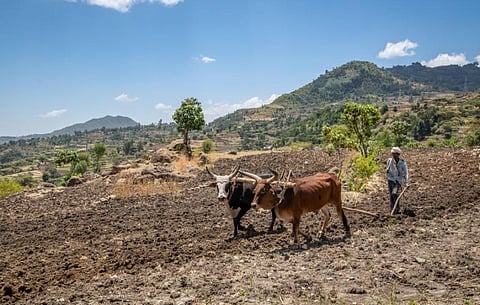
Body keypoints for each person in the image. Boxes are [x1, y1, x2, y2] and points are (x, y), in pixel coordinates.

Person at [386, 147, 410, 214]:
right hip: (390, 180)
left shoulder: (402, 163)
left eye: (395, 154)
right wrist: (387, 172)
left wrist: (407, 182)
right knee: (391, 195)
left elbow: (406, 173)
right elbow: (388, 169)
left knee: (394, 193)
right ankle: (392, 210)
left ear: (398, 154)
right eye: (392, 154)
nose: (393, 155)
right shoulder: (389, 161)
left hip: (397, 181)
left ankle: (397, 208)